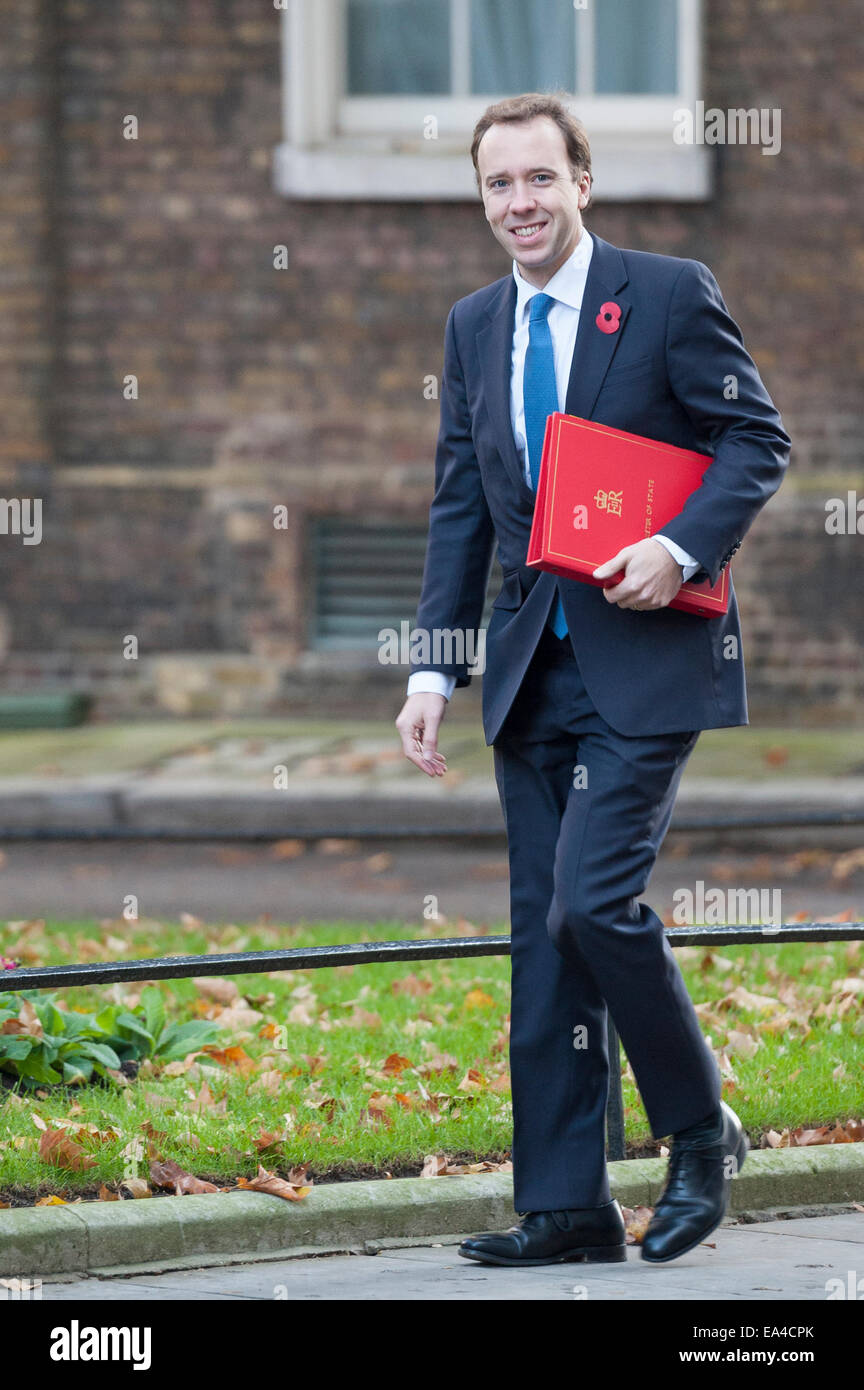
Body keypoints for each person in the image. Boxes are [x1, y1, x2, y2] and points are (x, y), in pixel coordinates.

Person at [394, 92, 790, 1266]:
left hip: (647, 656)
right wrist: (431, 666)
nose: (518, 203)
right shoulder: (473, 325)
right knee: (543, 936)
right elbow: (459, 505)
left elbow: (754, 440)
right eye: (497, 185)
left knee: (592, 902)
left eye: (538, 179)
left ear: (582, 182)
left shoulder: (665, 292)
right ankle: (565, 1205)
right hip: (529, 669)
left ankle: (697, 1131)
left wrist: (678, 550)